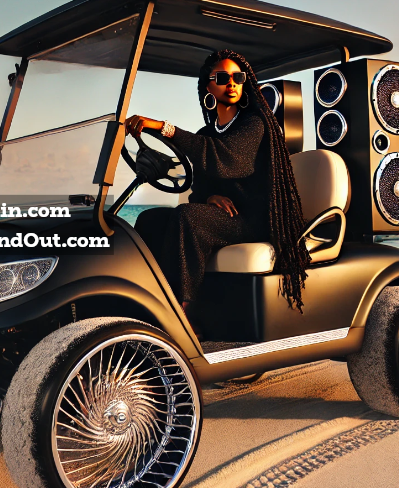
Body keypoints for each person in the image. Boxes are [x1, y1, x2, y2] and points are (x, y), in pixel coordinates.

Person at [126, 49, 311, 318]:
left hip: (254, 220)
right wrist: (209, 197)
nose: (232, 82)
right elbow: (201, 183)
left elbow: (228, 158)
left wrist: (165, 128)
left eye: (238, 76)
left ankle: (184, 311)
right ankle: (149, 297)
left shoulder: (255, 125)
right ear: (208, 87)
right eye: (223, 77)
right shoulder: (206, 134)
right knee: (149, 219)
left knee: (188, 217)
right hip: (225, 218)